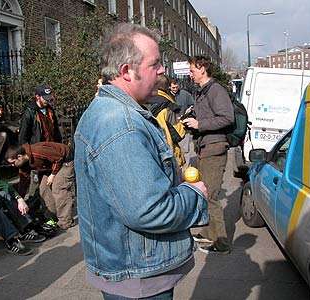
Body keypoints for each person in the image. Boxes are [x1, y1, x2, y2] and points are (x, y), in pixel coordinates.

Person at [74, 23, 209, 300]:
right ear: (126, 72)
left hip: (134, 270)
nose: (163, 71)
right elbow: (149, 210)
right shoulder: (120, 125)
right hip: (138, 277)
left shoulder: (117, 114)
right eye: (155, 64)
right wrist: (194, 195)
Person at [182, 55, 235, 255]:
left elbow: (227, 118)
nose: (190, 73)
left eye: (192, 70)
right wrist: (192, 121)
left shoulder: (215, 90)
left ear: (202, 68)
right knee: (204, 193)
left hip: (214, 149)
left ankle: (222, 244)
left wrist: (200, 124)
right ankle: (208, 232)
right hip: (205, 147)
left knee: (211, 196)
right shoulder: (203, 91)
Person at [0, 148, 45, 256]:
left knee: (3, 194)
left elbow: (4, 185)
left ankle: (25, 228)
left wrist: (19, 199)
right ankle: (11, 241)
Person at [5, 142, 75, 230]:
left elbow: (59, 158)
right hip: (48, 166)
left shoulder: (37, 151)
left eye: (13, 162)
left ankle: (65, 221)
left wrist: (53, 175)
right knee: (44, 190)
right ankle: (52, 217)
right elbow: (24, 182)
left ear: (19, 156)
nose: (12, 165)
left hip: (64, 161)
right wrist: (20, 199)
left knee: (58, 188)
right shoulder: (22, 164)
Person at [149, 75, 186, 167]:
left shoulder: (145, 101)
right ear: (167, 87)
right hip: (169, 153)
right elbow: (179, 134)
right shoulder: (168, 106)